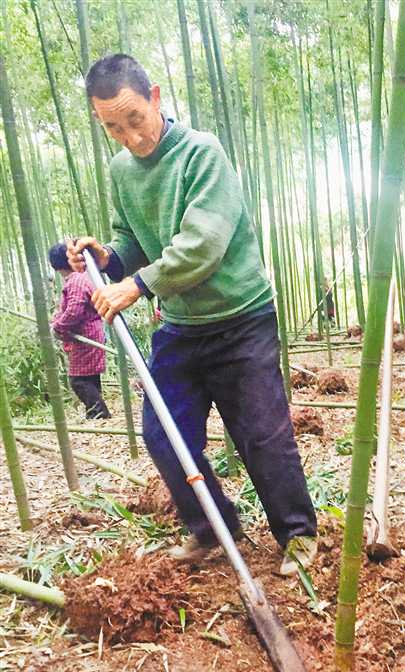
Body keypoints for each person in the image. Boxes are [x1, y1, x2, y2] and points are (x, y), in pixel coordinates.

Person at [66, 54, 317, 574]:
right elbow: (133, 240)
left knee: (262, 434)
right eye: (113, 127)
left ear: (155, 97)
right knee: (164, 435)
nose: (130, 137)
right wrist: (107, 256)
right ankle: (212, 528)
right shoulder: (120, 170)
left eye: (135, 118)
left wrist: (135, 285)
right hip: (180, 326)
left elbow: (202, 245)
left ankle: (297, 533)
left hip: (241, 318)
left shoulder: (203, 154)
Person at [49, 242, 111, 420]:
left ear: (55, 264)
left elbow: (74, 311)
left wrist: (57, 326)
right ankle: (96, 414)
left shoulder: (76, 281)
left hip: (86, 336)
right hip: (89, 334)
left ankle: (99, 412)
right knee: (89, 377)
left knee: (79, 380)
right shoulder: (79, 279)